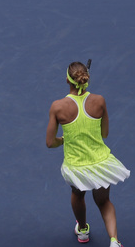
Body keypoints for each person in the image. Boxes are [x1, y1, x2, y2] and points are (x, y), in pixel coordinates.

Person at [46, 61, 129, 246]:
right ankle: (114, 241)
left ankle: (82, 231)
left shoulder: (58, 107)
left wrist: (65, 140)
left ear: (67, 80)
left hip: (77, 167)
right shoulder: (99, 101)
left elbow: (50, 143)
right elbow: (104, 134)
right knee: (104, 201)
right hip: (101, 163)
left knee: (78, 194)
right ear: (85, 79)